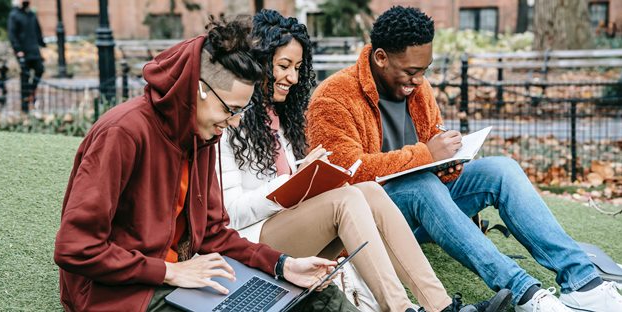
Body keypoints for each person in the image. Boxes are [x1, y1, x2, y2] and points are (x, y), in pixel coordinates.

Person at [306, 6, 622, 312]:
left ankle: (583, 283)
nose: (418, 80)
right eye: (411, 72)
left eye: (424, 71)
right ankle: (527, 293)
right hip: (372, 223)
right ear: (380, 58)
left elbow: (432, 140)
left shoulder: (417, 87)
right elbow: (344, 176)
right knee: (419, 184)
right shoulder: (332, 97)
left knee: (502, 169)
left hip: (427, 206)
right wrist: (426, 155)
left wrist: (447, 160)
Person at [217, 9, 511, 312]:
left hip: (291, 227)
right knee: (346, 199)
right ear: (259, 63)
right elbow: (229, 215)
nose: (292, 77)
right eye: (283, 66)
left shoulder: (286, 118)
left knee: (368, 190)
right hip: (253, 243)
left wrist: (308, 176)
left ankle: (441, 307)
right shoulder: (224, 122)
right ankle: (401, 310)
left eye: (298, 67)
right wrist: (290, 183)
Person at [53, 16, 345, 312]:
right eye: (229, 110)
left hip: (186, 276)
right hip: (119, 293)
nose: (233, 123)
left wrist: (283, 266)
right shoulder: (122, 133)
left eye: (241, 111)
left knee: (319, 296)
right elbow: (76, 247)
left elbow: (213, 233)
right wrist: (169, 272)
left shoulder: (203, 134)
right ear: (199, 90)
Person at [7, 0, 45, 114]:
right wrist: (18, 50)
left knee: (40, 70)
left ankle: (30, 93)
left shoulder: (32, 14)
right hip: (23, 52)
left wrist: (42, 46)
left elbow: (38, 32)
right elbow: (12, 34)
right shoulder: (14, 15)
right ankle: (24, 107)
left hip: (34, 51)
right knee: (24, 78)